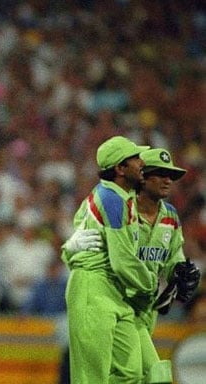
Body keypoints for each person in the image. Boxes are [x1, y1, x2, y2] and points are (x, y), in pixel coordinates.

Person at [67, 147, 201, 383]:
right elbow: (88, 253)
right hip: (114, 301)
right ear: (142, 176)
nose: (167, 180)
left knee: (139, 376)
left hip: (144, 310)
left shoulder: (170, 216)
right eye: (159, 173)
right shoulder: (118, 210)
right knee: (142, 375)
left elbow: (173, 257)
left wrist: (180, 272)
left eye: (171, 175)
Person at [62, 135, 157, 383]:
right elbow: (122, 260)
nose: (142, 162)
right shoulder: (111, 199)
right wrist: (150, 286)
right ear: (120, 169)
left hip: (116, 291)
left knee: (131, 373)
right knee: (92, 377)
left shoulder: (122, 199)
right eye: (135, 158)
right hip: (93, 288)